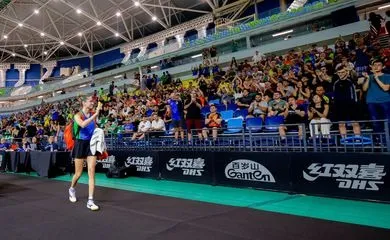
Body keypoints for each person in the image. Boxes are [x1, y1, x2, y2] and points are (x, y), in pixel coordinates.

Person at [68, 95, 102, 211]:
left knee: (91, 171)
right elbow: (82, 125)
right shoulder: (78, 115)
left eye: (93, 101)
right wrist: (95, 115)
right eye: (90, 101)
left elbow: (94, 128)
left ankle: (90, 200)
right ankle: (72, 189)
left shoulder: (93, 115)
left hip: (91, 145)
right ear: (84, 103)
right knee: (78, 173)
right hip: (80, 144)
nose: (92, 103)